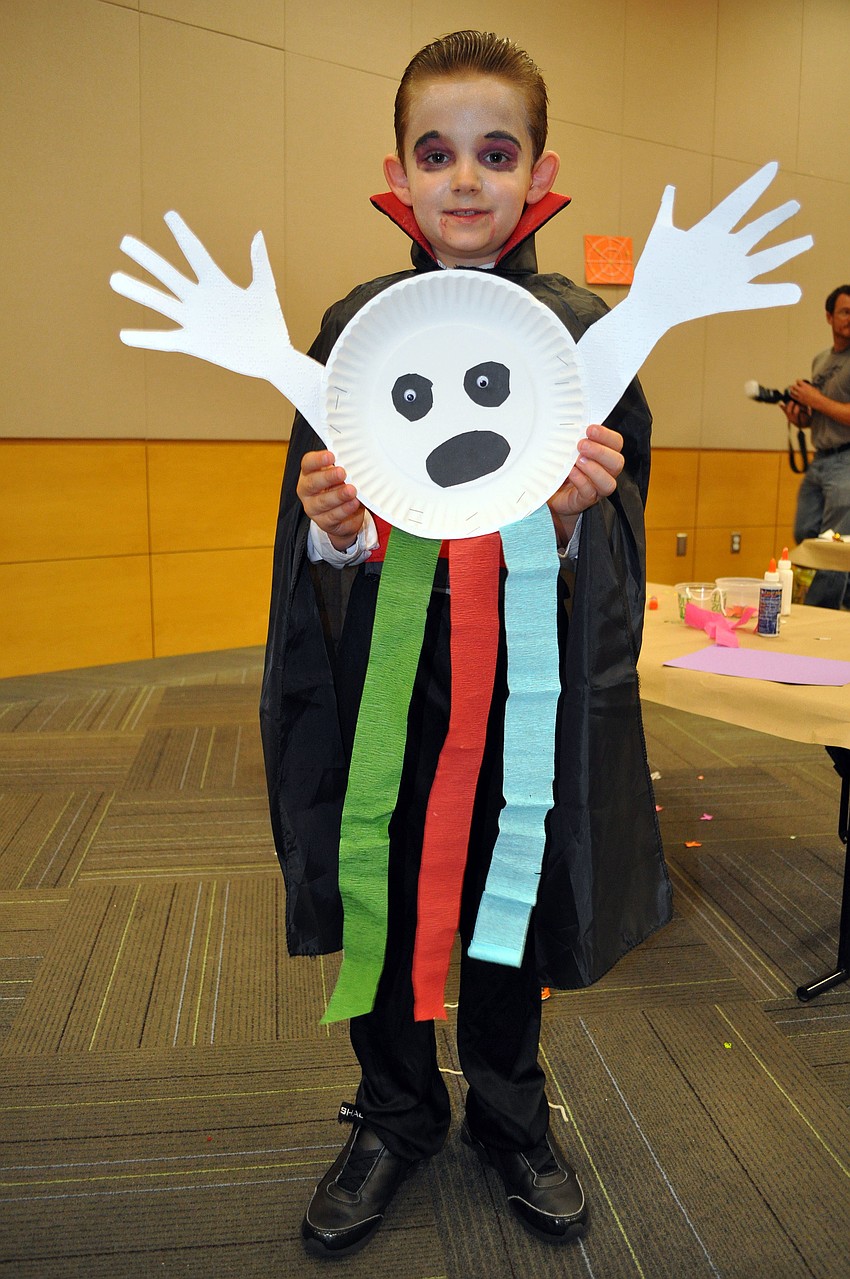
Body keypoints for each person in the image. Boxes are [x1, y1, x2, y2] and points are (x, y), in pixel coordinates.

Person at [259, 30, 671, 1258]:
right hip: (389, 675)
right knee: (380, 883)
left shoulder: (583, 332)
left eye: (495, 152)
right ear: (398, 169)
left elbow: (619, 532)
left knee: (511, 883)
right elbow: (316, 528)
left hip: (523, 685)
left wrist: (583, 513)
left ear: (540, 170)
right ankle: (393, 1111)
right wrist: (331, 528)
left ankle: (508, 1111)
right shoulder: (357, 325)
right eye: (436, 153)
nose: (465, 179)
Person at [782, 285, 850, 608]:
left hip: (847, 459)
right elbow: (823, 415)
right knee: (805, 532)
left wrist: (816, 399)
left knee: (832, 546)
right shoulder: (821, 359)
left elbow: (827, 405)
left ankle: (819, 613)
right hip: (821, 458)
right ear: (829, 316)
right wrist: (801, 416)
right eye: (845, 312)